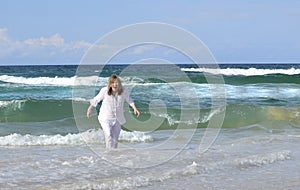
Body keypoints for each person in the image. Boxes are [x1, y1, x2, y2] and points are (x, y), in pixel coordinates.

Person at [87, 74, 140, 148]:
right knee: (108, 134)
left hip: (118, 118)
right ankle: (109, 152)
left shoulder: (124, 91)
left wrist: (135, 108)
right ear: (110, 84)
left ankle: (114, 155)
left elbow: (129, 99)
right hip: (105, 117)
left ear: (119, 83)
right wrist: (90, 108)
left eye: (117, 82)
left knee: (115, 139)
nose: (115, 84)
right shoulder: (104, 91)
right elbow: (96, 99)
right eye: (113, 82)